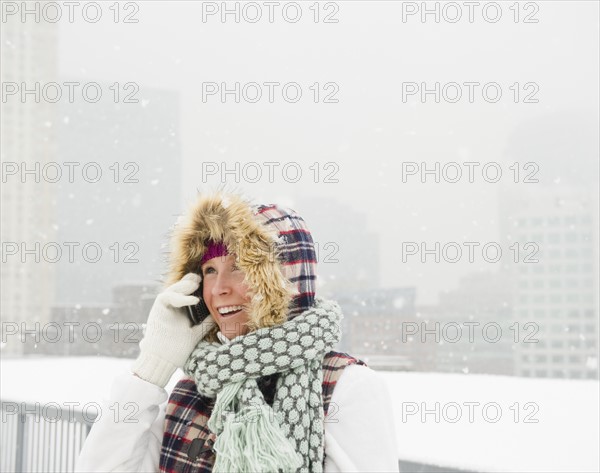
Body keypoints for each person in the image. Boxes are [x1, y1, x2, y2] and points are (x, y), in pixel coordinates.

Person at [76, 191, 398, 473]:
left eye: (239, 268)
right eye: (209, 271)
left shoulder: (345, 387)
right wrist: (152, 367)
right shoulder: (191, 390)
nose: (218, 289)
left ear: (285, 279)